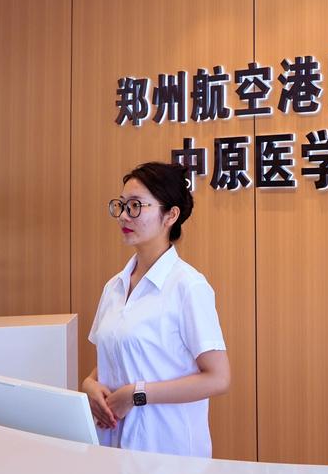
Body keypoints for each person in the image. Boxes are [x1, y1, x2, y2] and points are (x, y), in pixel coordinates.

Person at [81, 161, 230, 456]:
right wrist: (89, 384)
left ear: (170, 215)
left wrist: (136, 395)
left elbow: (218, 378)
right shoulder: (114, 286)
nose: (124, 215)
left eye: (136, 206)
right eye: (121, 205)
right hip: (112, 448)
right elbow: (118, 356)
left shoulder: (188, 286)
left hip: (168, 452)